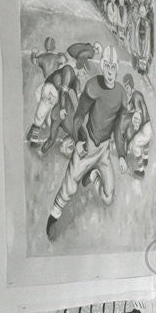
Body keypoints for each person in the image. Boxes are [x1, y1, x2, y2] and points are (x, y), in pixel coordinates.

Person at [45, 45, 129, 240]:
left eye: (113, 67)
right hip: (88, 143)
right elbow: (78, 116)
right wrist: (79, 140)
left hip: (104, 150)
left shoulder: (121, 94)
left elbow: (117, 129)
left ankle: (94, 176)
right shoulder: (93, 86)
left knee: (108, 197)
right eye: (107, 66)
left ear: (117, 68)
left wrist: (123, 155)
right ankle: (54, 215)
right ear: (102, 66)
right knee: (70, 186)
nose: (110, 71)